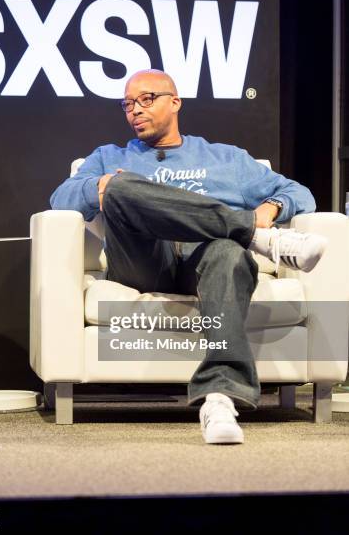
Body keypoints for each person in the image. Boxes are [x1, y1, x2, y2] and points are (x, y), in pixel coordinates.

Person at [51, 69, 327, 445]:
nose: (135, 110)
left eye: (146, 99)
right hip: (142, 262)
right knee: (118, 187)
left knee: (229, 253)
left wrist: (272, 208)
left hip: (206, 261)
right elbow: (60, 199)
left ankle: (219, 397)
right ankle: (256, 237)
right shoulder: (109, 157)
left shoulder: (226, 160)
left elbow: (298, 192)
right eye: (128, 104)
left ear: (174, 102)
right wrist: (95, 186)